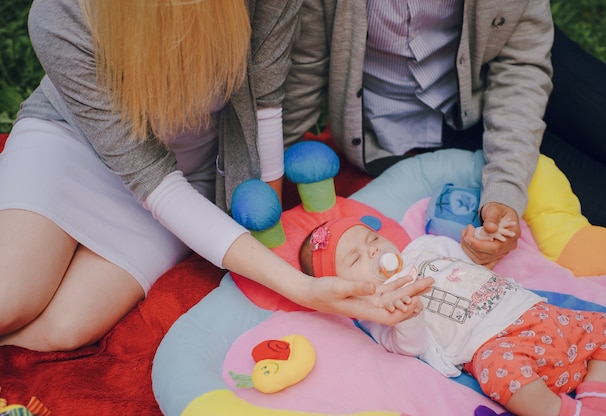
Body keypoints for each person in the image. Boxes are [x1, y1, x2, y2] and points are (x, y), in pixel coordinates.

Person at [0, 0, 431, 352]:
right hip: (75, 146)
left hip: (192, 173)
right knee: (9, 300)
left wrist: (273, 233)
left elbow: (264, 100)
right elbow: (150, 178)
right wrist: (300, 288)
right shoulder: (61, 14)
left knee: (68, 328)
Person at [283, 0, 606, 269]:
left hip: (507, 57)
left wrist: (505, 187)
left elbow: (521, 63)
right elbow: (303, 71)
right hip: (415, 127)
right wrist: (261, 178)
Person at [299, 216, 606, 416]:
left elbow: (468, 263)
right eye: (355, 258)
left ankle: (598, 393)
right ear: (345, 291)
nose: (373, 250)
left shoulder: (425, 247)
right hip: (495, 344)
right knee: (502, 373)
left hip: (534, 312)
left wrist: (479, 243)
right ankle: (566, 412)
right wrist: (407, 315)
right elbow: (411, 348)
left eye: (372, 239)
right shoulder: (376, 311)